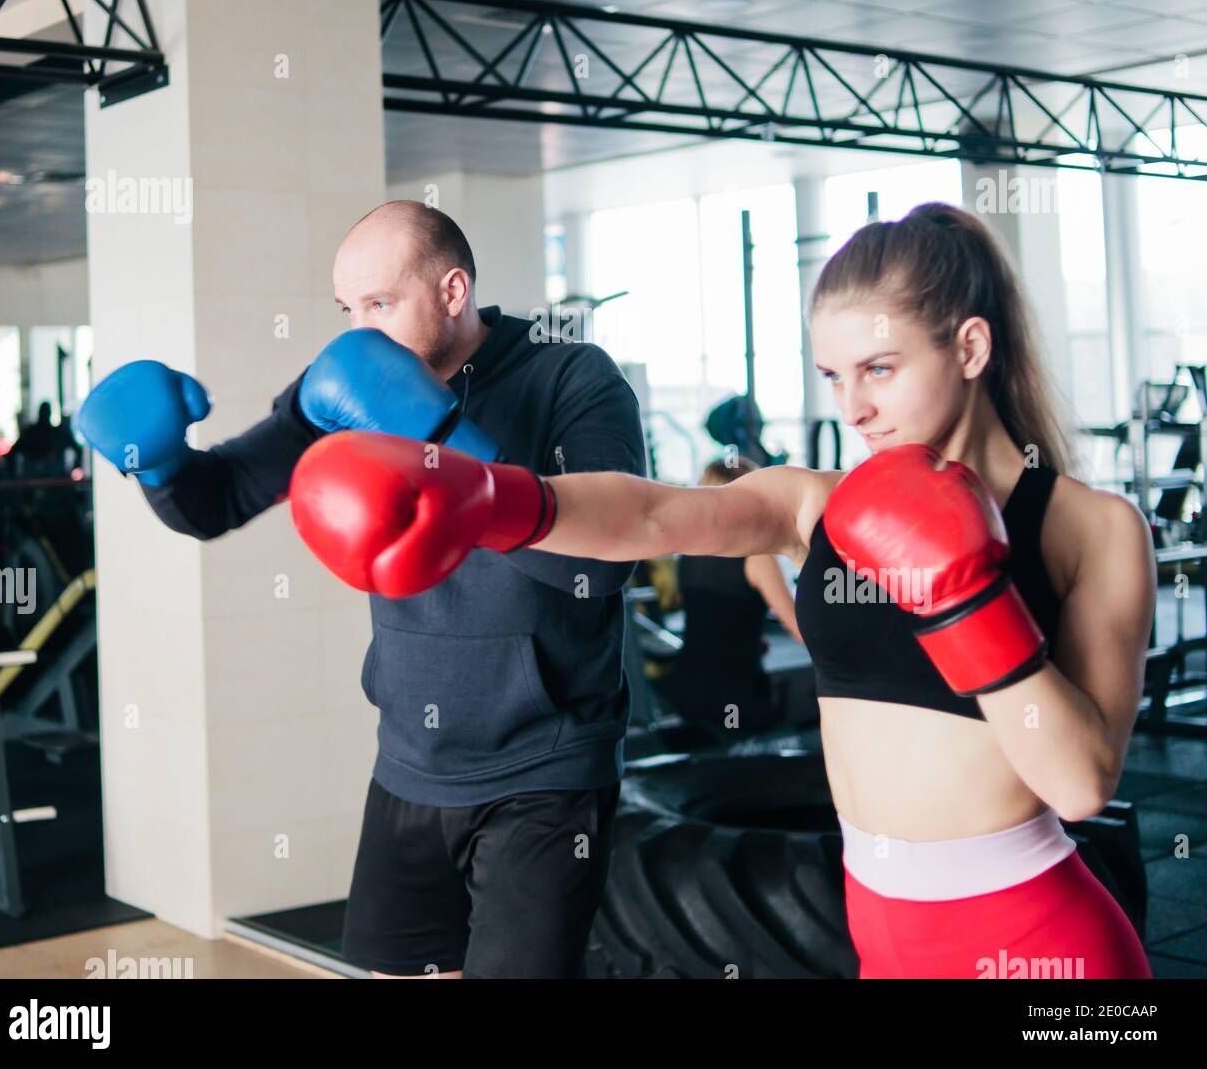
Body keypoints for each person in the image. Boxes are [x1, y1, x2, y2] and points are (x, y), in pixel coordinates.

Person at [292, 201, 1155, 980]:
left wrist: (966, 598)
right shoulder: (819, 503)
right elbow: (658, 514)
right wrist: (492, 495)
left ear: (968, 347)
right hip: (881, 932)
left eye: (879, 369)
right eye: (832, 377)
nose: (852, 407)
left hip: (1038, 940)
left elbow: (1082, 784)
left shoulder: (1094, 529)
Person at [77, 200, 646, 979]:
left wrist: (444, 444)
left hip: (544, 770)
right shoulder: (345, 384)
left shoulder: (573, 376)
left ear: (452, 291)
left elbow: (603, 566)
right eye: (348, 309)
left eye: (380, 304)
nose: (360, 331)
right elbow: (220, 499)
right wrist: (161, 463)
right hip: (409, 762)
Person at [661, 456, 798, 736]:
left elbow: (713, 613)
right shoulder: (757, 556)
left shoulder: (689, 551)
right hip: (735, 694)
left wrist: (749, 638)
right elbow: (799, 627)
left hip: (688, 684)